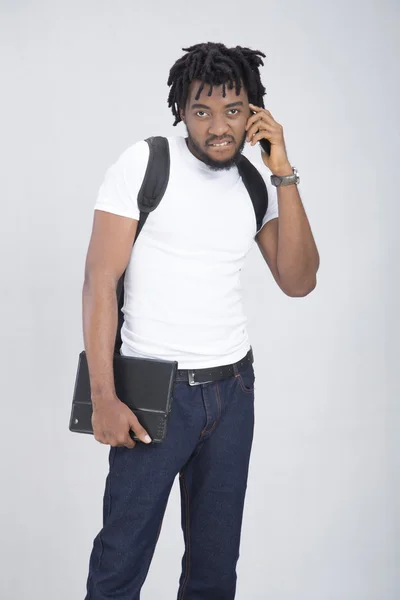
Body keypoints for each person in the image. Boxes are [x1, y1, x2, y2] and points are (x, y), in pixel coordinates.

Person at [82, 41, 319, 600]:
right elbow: (99, 282)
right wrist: (102, 397)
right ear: (181, 110)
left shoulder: (254, 181)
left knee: (214, 574)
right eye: (202, 110)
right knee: (119, 564)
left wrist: (283, 172)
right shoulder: (145, 162)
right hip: (152, 395)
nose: (218, 126)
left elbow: (299, 280)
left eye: (233, 110)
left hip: (233, 390)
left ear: (253, 112)